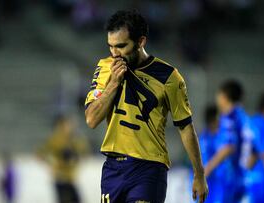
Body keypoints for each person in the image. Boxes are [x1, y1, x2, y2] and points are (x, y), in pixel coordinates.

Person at [84, 10, 208, 203]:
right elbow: (91, 119)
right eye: (111, 47)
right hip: (113, 168)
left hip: (149, 168)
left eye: (121, 46)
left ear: (141, 42)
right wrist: (113, 84)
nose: (115, 53)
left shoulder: (169, 77)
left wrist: (199, 174)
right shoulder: (105, 68)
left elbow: (185, 127)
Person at [204, 80, 254, 203]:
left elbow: (229, 146)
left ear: (224, 96)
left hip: (230, 178)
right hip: (242, 177)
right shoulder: (244, 118)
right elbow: (255, 151)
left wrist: (207, 169)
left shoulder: (230, 117)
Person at [38, 115, 89, 203]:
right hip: (60, 178)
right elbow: (40, 154)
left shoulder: (75, 139)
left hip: (71, 179)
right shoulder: (56, 139)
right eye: (67, 124)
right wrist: (52, 165)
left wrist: (76, 160)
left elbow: (84, 153)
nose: (70, 127)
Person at [198, 105, 219, 203]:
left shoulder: (215, 137)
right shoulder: (205, 140)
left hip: (215, 183)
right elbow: (204, 168)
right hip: (208, 185)